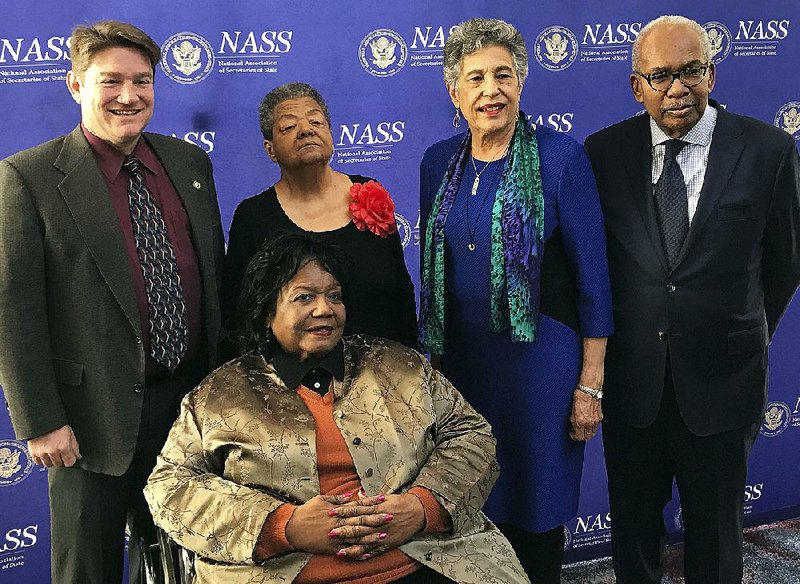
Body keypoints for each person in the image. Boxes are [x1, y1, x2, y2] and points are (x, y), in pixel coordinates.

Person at [145, 233, 529, 584]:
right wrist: (284, 526)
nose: (325, 309)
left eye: (334, 296)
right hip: (281, 573)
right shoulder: (219, 395)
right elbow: (169, 486)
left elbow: (470, 433)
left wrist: (421, 508)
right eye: (304, 297)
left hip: (423, 562)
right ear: (267, 312)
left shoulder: (399, 365)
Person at [0, 21, 224, 584]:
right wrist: (41, 422)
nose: (129, 96)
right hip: (88, 422)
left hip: (191, 411)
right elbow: (14, 311)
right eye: (111, 81)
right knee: (87, 571)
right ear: (76, 85)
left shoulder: (189, 165)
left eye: (142, 81)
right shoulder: (28, 177)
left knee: (187, 569)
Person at [584, 15, 800, 584]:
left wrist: (737, 327)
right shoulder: (604, 154)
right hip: (634, 384)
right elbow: (595, 267)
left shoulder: (767, 150)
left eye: (690, 71)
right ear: (638, 86)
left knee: (718, 540)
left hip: (725, 383)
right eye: (660, 76)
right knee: (633, 536)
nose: (676, 88)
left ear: (711, 72)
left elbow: (784, 265)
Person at [418, 17, 613, 583]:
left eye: (503, 75)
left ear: (522, 84)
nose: (490, 90)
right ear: (454, 91)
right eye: (475, 78)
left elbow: (594, 281)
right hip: (464, 369)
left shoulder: (560, 157)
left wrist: (589, 385)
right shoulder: (436, 161)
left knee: (537, 504)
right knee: (471, 502)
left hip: (544, 370)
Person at [222, 82, 417, 352]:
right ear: (270, 149)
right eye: (289, 127)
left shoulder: (370, 193)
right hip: (291, 383)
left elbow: (402, 296)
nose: (306, 130)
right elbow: (240, 319)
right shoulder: (253, 216)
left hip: (382, 379)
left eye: (316, 121)